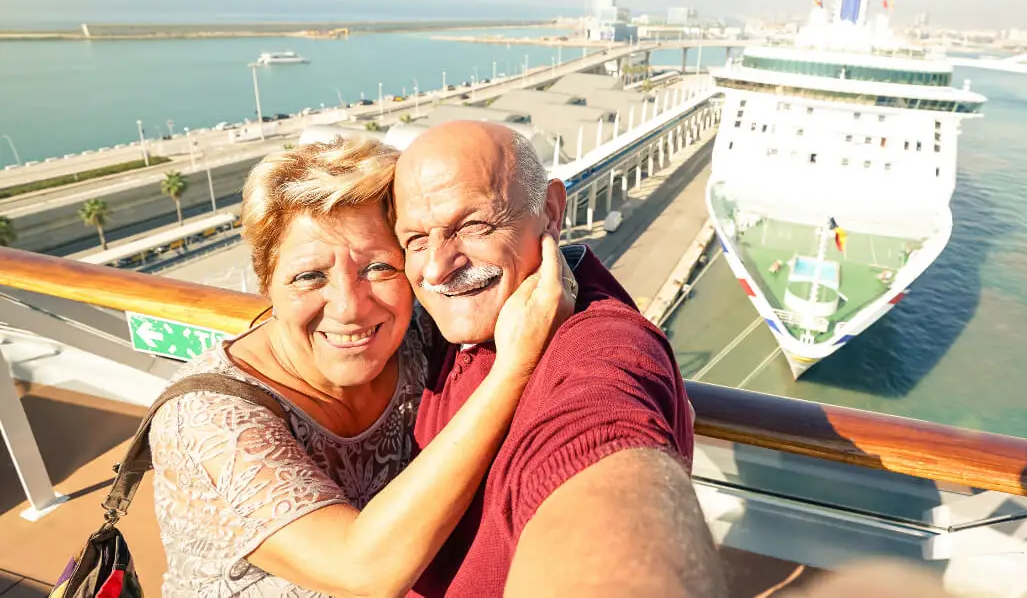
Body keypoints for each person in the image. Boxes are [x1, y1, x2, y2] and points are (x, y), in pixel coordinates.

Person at [148, 136, 574, 597]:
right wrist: (513, 369)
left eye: (379, 269)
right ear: (266, 282)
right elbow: (363, 571)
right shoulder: (208, 419)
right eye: (310, 276)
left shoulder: (416, 340)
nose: (350, 307)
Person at [392, 121, 726, 597]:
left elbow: (599, 442)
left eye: (472, 226)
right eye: (416, 240)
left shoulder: (601, 346)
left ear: (550, 211)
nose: (437, 268)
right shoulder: (447, 326)